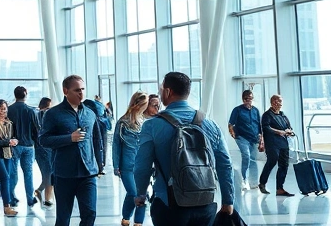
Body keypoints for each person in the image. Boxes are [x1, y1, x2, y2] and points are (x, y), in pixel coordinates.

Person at [133, 72, 234, 225]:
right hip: (206, 204)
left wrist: (140, 194)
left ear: (168, 91)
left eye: (162, 88)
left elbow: (142, 167)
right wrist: (228, 200)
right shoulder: (210, 124)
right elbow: (225, 164)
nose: (160, 92)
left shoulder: (152, 126)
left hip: (169, 205)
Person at [39, 75, 102, 226]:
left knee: (90, 214)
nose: (81, 93)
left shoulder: (90, 113)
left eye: (82, 90)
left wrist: (100, 165)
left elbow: (97, 140)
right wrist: (69, 138)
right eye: (77, 90)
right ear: (65, 91)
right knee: (63, 218)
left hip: (88, 173)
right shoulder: (53, 114)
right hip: (64, 174)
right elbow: (43, 140)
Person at [112, 92, 148, 226]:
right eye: (144, 105)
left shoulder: (144, 122)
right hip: (126, 165)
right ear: (137, 105)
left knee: (142, 194)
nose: (146, 107)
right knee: (133, 193)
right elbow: (116, 145)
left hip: (142, 165)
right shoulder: (122, 122)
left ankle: (138, 222)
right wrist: (116, 166)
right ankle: (126, 216)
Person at [6, 86, 40, 208]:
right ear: (25, 94)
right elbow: (37, 129)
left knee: (13, 172)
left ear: (15, 95)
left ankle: (11, 197)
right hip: (29, 146)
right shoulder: (31, 111)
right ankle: (30, 199)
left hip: (13, 145)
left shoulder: (9, 110)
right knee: (28, 173)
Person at [258, 94, 295, 196]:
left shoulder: (283, 116)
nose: (278, 104)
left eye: (279, 102)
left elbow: (289, 128)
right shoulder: (267, 115)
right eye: (276, 101)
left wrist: (289, 132)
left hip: (283, 143)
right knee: (272, 161)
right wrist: (279, 132)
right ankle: (262, 183)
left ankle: (280, 188)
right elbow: (266, 128)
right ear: (272, 102)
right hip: (272, 143)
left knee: (284, 165)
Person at [228, 89, 263, 191]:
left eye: (251, 98)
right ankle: (244, 180)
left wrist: (261, 139)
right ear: (243, 99)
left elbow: (259, 125)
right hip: (242, 137)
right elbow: (231, 124)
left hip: (254, 138)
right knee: (246, 156)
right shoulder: (237, 110)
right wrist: (233, 133)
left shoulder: (255, 110)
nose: (249, 101)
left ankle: (254, 182)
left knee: (252, 159)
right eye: (246, 99)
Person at [34, 97, 54, 207]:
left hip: (38, 147)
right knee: (49, 173)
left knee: (47, 173)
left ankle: (39, 191)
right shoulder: (45, 114)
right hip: (46, 147)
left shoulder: (35, 114)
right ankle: (47, 198)